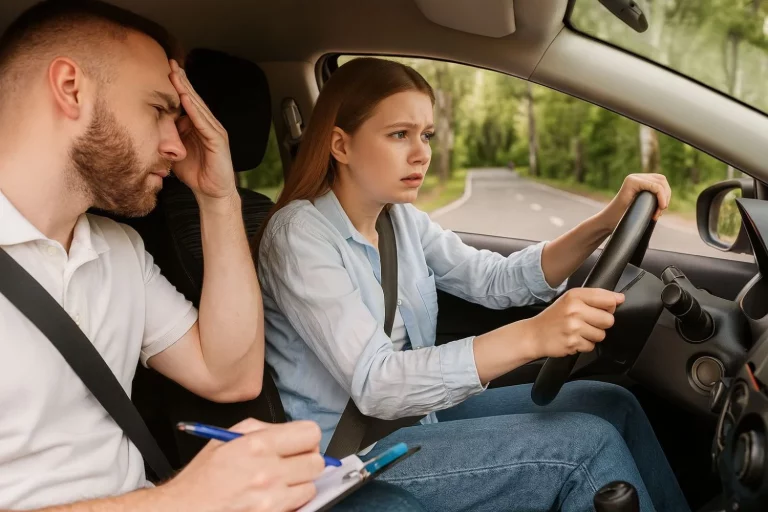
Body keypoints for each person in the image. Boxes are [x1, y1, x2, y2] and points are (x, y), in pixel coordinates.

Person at [0, 2, 425, 511]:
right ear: (71, 88)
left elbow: (231, 376)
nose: (175, 144)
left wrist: (219, 198)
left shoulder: (118, 250)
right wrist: (185, 498)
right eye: (158, 109)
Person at [255, 57, 692, 512]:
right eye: (399, 134)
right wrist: (532, 335)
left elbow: (495, 279)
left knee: (612, 404)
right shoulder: (298, 236)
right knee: (586, 445)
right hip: (351, 460)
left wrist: (605, 223)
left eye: (425, 135)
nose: (421, 153)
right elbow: (375, 382)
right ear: (340, 146)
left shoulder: (398, 219)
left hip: (416, 420)